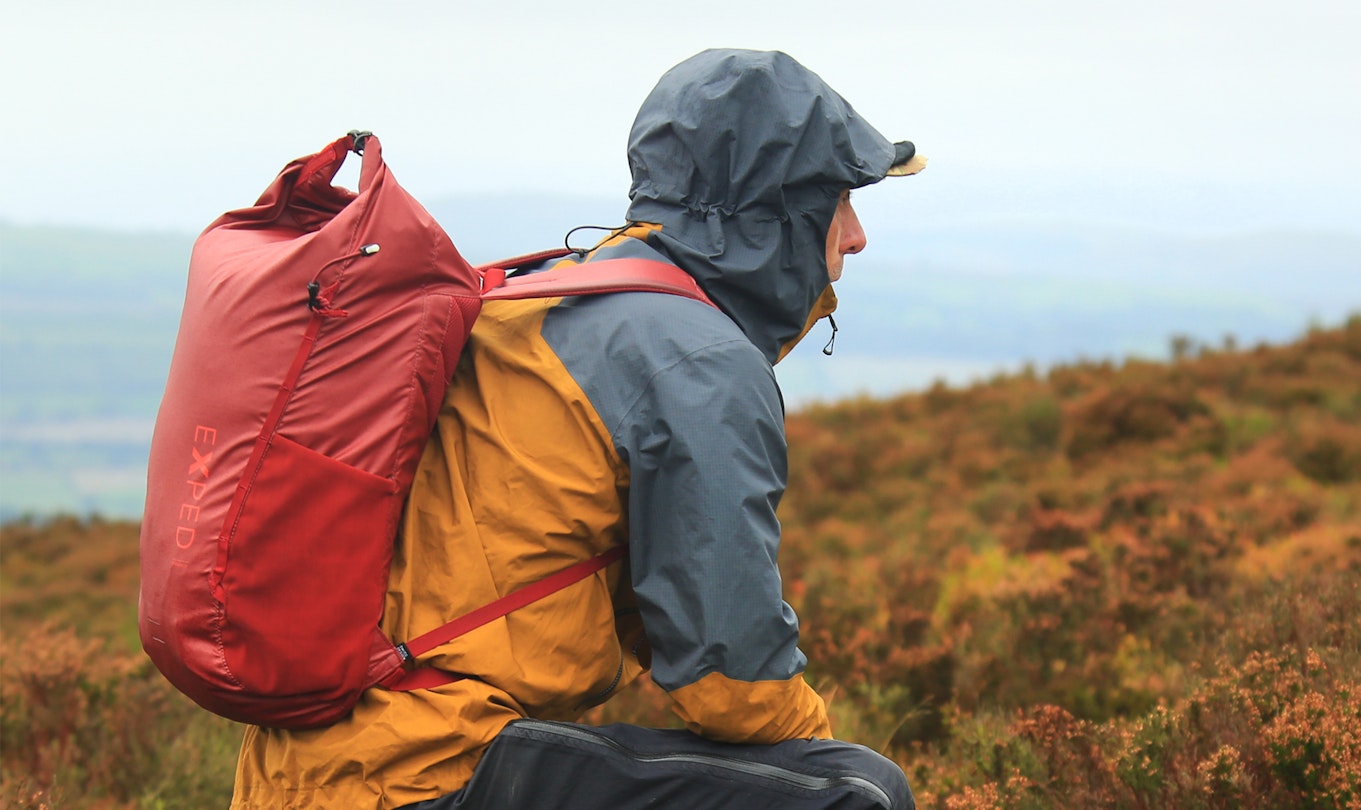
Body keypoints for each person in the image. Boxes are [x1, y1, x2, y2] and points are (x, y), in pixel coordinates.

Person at [230, 48, 925, 810]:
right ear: (779, 208)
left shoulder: (542, 293)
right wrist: (817, 753)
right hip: (424, 775)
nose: (855, 236)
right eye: (840, 200)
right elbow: (732, 688)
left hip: (302, 770)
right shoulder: (697, 361)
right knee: (856, 793)